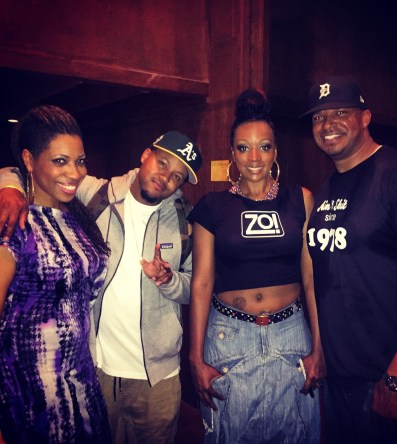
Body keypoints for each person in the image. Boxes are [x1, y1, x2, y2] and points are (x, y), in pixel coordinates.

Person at [0, 129, 203, 444]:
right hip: (98, 370)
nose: (165, 178)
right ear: (145, 155)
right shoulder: (98, 194)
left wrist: (170, 281)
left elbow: (196, 287)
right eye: (162, 163)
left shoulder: (185, 220)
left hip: (159, 378)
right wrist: (9, 187)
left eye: (177, 176)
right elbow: (33, 167)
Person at [301, 75, 397, 443]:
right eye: (318, 117)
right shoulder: (327, 189)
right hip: (340, 380)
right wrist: (321, 352)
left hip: (390, 381)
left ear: (365, 117)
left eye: (340, 112)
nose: (327, 124)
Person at [188, 88, 326, 443]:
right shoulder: (212, 206)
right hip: (229, 337)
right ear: (232, 153)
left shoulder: (301, 199)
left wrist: (319, 347)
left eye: (264, 147)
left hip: (291, 333)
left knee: (296, 433)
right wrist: (195, 357)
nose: (254, 158)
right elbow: (201, 283)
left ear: (275, 152)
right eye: (243, 147)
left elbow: (311, 277)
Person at [0, 105, 112, 443]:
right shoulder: (15, 223)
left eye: (80, 161)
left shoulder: (79, 220)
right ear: (29, 161)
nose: (74, 173)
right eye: (60, 161)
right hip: (30, 394)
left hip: (82, 382)